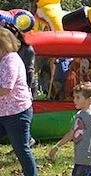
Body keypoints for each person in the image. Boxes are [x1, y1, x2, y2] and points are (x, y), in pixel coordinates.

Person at [49, 82, 91, 175]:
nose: (74, 100)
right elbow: (72, 133)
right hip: (79, 157)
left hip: (86, 158)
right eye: (74, 97)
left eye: (78, 97)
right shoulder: (79, 114)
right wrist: (57, 146)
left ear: (89, 100)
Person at [0, 28, 38, 176]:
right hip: (5, 112)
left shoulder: (10, 60)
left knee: (21, 150)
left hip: (16, 112)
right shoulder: (3, 59)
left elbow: (5, 89)